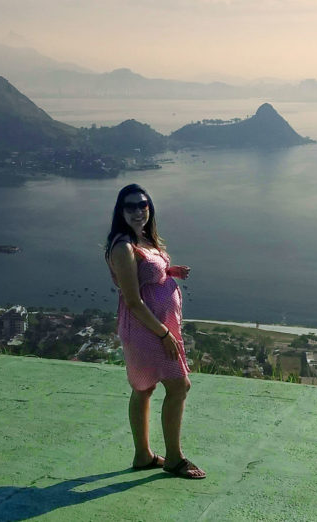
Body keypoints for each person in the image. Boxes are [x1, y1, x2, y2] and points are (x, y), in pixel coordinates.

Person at [105, 184, 206, 479]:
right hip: (146, 328)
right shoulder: (124, 247)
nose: (138, 211)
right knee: (178, 386)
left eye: (143, 205)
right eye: (131, 206)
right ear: (120, 211)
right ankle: (174, 459)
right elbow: (134, 301)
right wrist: (163, 333)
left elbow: (147, 276)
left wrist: (170, 272)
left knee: (144, 388)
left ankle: (143, 456)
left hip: (157, 326)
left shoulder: (145, 238)